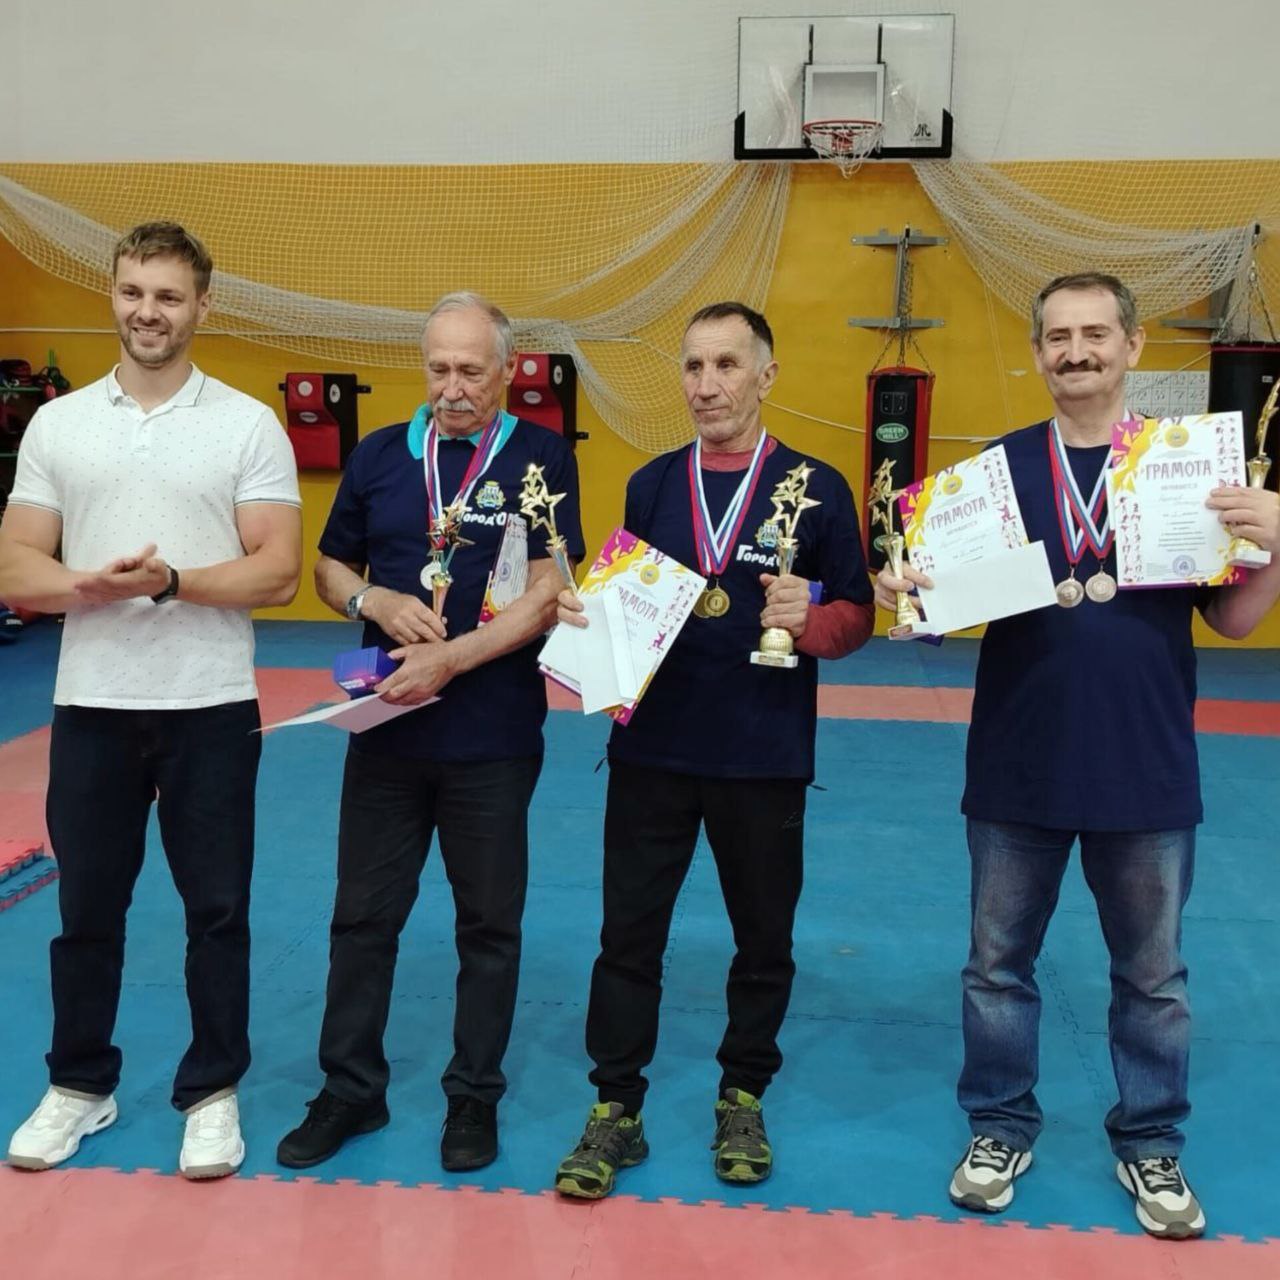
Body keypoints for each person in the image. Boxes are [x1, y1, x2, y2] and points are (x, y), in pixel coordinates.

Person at [875, 272, 1280, 1239]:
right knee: (995, 966)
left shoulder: (1185, 468)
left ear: (1133, 346)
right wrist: (908, 586)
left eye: (1096, 333)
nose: (1077, 351)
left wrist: (1275, 548)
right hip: (1017, 763)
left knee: (1154, 978)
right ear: (1037, 353)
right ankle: (999, 1126)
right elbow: (933, 616)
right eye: (1058, 336)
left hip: (1146, 766)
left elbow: (1232, 620)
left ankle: (1151, 1139)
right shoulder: (994, 474)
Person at [552, 301, 875, 1199]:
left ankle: (743, 1095)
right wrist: (587, 627)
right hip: (652, 750)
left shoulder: (817, 486)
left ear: (766, 375)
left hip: (762, 754)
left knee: (762, 940)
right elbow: (627, 606)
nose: (707, 385)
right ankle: (616, 1108)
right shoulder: (652, 484)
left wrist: (812, 621)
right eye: (694, 366)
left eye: (727, 365)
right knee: (628, 939)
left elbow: (858, 617)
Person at [0, 221, 302, 1179]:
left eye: (168, 296)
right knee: (86, 907)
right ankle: (79, 1084)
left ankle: (211, 1093)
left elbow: (278, 571)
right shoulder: (58, 426)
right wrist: (88, 585)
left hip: (209, 703)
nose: (148, 312)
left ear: (201, 305)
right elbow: (14, 567)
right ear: (113, 294)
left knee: (216, 910)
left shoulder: (247, 424)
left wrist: (171, 583)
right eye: (133, 292)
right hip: (92, 701)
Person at [276, 292, 583, 1174]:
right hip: (386, 728)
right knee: (362, 918)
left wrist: (453, 658)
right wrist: (372, 599)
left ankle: (473, 1094)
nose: (452, 388)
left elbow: (549, 591)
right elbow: (330, 567)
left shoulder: (540, 458)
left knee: (488, 924)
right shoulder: (380, 455)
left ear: (507, 371)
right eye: (439, 369)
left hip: (493, 734)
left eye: (471, 371)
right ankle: (350, 1089)